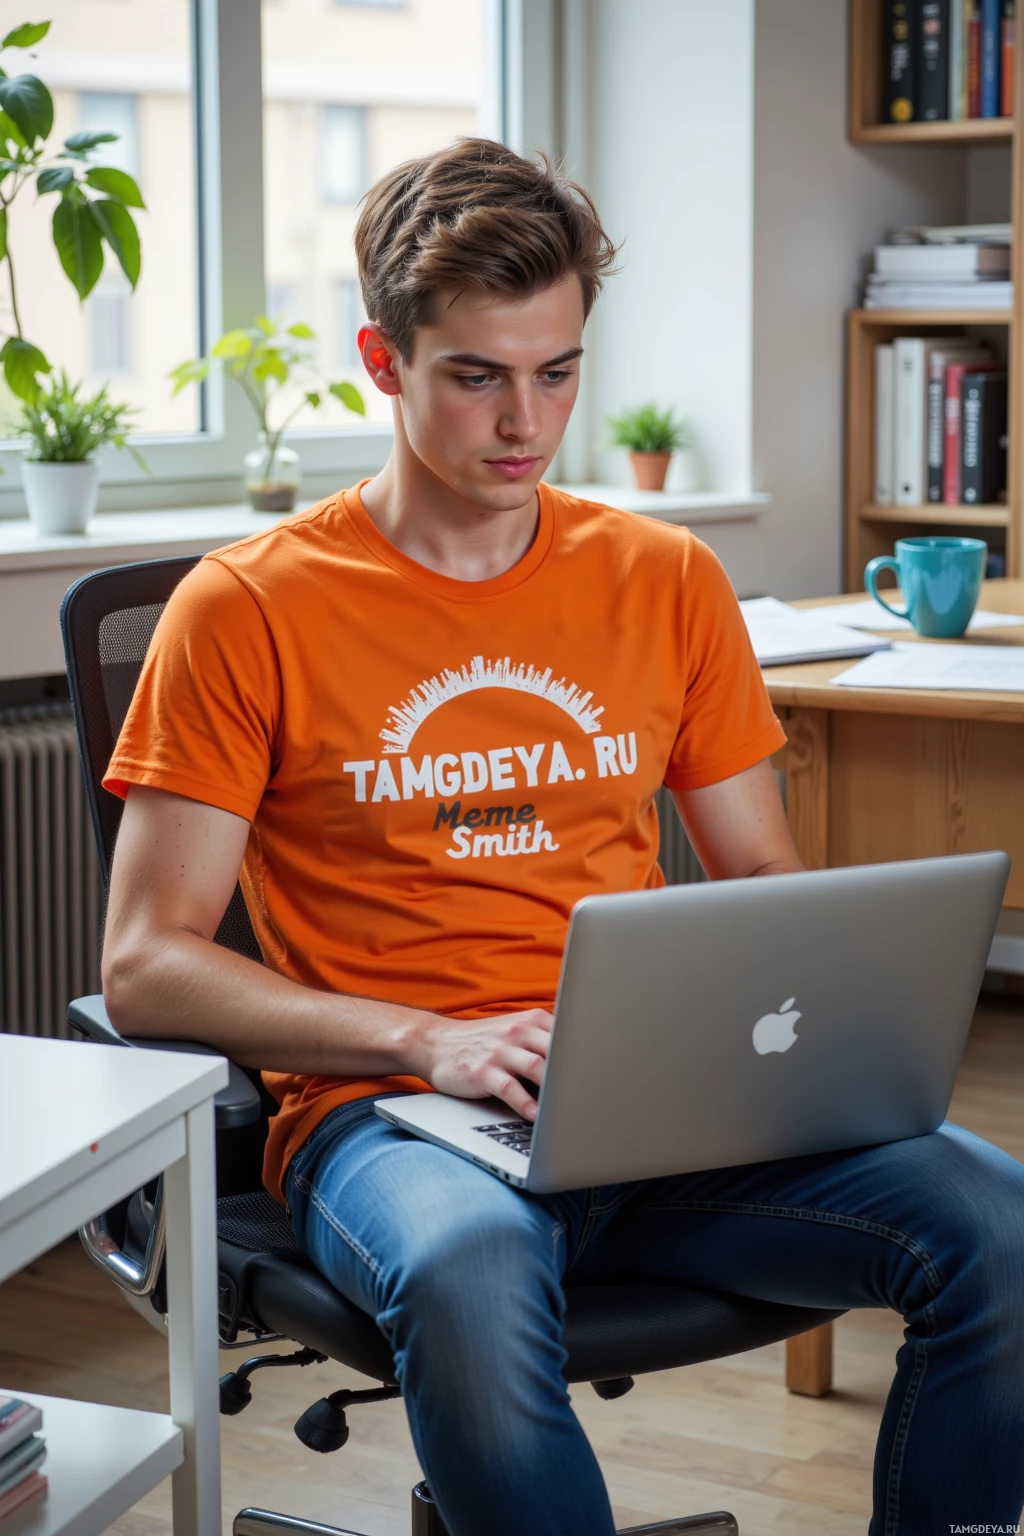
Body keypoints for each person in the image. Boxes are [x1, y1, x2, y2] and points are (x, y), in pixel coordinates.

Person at [102, 138, 1024, 1536]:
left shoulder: (662, 578)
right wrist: (428, 1041)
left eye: (558, 369)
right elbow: (147, 966)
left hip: (663, 1108)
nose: (525, 421)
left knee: (1003, 1229)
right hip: (392, 1118)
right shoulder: (248, 608)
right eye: (476, 374)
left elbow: (762, 882)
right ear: (382, 360)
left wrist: (831, 1026)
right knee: (473, 1271)